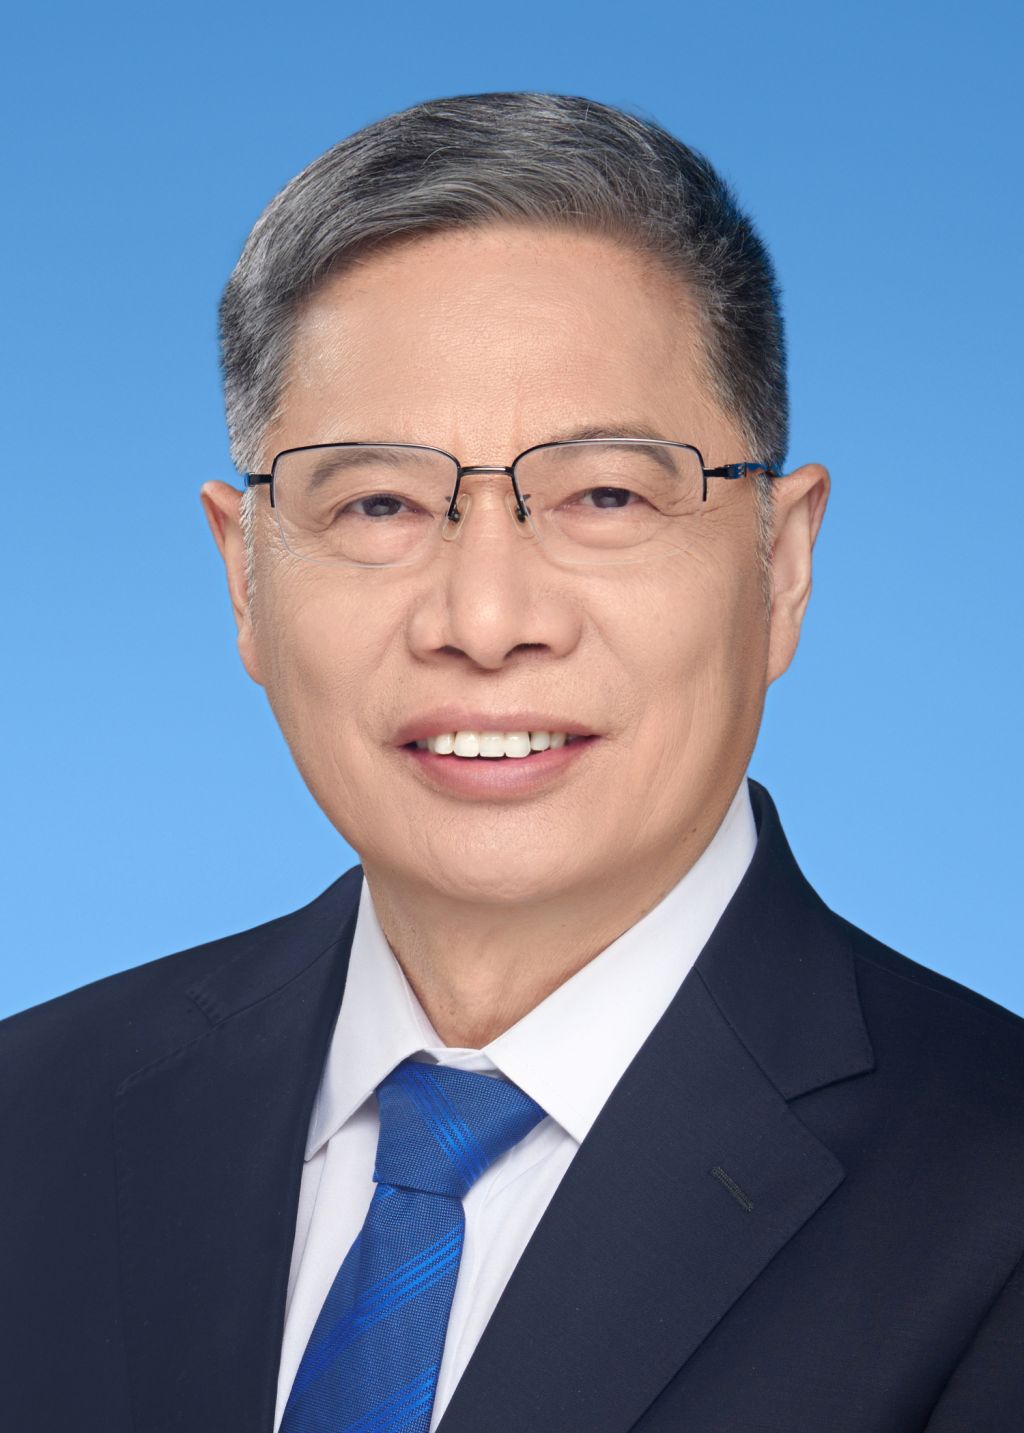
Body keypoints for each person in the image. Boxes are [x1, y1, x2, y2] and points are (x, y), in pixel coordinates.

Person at [2, 92, 1022, 1433]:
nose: (485, 622)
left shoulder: (991, 1195)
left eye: (606, 495)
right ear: (244, 577)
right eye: (378, 502)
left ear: (781, 562)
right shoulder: (35, 1117)